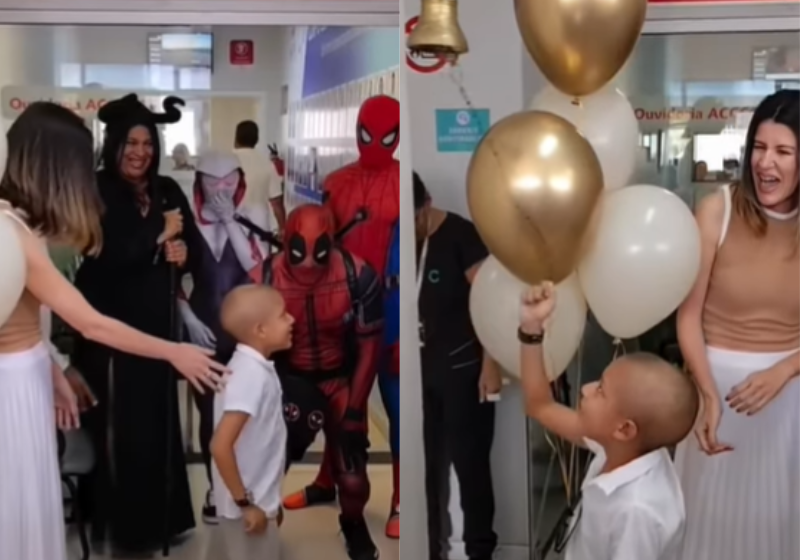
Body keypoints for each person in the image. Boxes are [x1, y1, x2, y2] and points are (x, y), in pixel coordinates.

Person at [0, 103, 224, 560]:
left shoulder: (19, 227)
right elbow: (89, 315)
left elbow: (22, 321)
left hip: (37, 374)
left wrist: (54, 369)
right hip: (50, 370)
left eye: (147, 144)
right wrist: (173, 352)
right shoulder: (16, 231)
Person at [71, 94, 209, 556]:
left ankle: (162, 520)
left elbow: (187, 242)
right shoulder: (95, 188)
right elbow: (106, 255)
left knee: (155, 424)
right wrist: (159, 235)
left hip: (156, 325)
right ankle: (124, 526)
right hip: (108, 327)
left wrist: (180, 251)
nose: (140, 152)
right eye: (131, 142)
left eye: (148, 143)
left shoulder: (168, 189)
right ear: (114, 145)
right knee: (120, 427)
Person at [674, 89, 800, 560]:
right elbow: (688, 315)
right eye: (760, 149)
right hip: (717, 400)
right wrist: (706, 391)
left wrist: (784, 369)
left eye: (784, 151)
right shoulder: (716, 210)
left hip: (789, 406)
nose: (766, 164)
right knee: (711, 527)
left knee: (779, 526)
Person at [520, 282, 699, 560]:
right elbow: (539, 405)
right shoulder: (618, 449)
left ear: (625, 429)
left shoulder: (637, 511)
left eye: (601, 390)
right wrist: (531, 328)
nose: (586, 388)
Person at [299, 94, 399, 538]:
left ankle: (400, 500)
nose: (374, 141)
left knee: (397, 407)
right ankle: (325, 480)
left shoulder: (406, 181)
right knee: (334, 402)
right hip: (340, 309)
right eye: (367, 132)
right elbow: (320, 251)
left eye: (384, 133)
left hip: (392, 310)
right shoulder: (336, 182)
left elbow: (414, 254)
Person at [263, 204, 383, 560]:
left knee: (352, 475)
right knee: (267, 467)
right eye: (300, 254)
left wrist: (356, 409)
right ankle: (261, 527)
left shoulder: (357, 275)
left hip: (339, 380)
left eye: (319, 254)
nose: (310, 268)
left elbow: (369, 348)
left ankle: (353, 524)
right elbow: (248, 338)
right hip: (289, 379)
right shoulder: (264, 277)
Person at [413, 173, 501, 560]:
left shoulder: (461, 237)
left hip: (463, 368)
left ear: (427, 203)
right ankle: (432, 548)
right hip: (419, 371)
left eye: (414, 217)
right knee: (425, 468)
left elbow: (491, 305)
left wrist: (491, 365)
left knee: (470, 466)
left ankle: (480, 550)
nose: (410, 227)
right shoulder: (403, 239)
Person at [179, 151, 268, 524]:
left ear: (240, 180)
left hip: (245, 329)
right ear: (197, 183)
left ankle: (244, 482)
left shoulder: (255, 214)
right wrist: (186, 316)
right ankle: (217, 485)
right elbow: (170, 277)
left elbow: (256, 267)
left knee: (245, 408)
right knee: (207, 410)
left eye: (228, 181)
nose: (220, 189)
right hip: (203, 324)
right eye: (211, 182)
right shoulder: (186, 222)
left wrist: (232, 219)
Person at [209, 285, 293, 560]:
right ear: (260, 330)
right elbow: (220, 446)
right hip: (244, 509)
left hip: (252, 501)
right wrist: (246, 504)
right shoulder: (249, 377)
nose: (291, 319)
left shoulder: (254, 368)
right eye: (283, 316)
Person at [234, 120, 286, 237]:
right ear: (256, 140)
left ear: (236, 138)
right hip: (259, 229)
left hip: (231, 230)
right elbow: (277, 202)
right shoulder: (267, 164)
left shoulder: (226, 162)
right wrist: (283, 229)